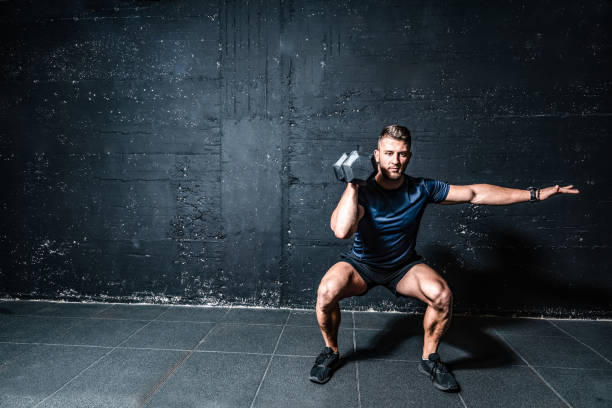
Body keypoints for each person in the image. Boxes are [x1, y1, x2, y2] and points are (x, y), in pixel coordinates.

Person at [309, 125, 580, 391]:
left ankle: (430, 358)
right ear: (376, 155)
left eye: (402, 154)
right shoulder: (362, 190)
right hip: (361, 265)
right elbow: (342, 230)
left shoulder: (422, 188)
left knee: (442, 295)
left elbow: (476, 193)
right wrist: (353, 185)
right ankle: (331, 351)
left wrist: (535, 194)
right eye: (389, 153)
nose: (396, 160)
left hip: (403, 267)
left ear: (409, 156)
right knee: (326, 291)